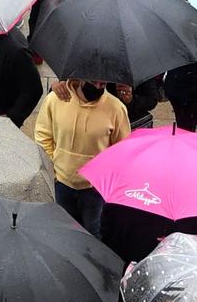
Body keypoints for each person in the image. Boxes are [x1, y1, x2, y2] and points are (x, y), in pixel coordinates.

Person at [34, 78, 131, 231]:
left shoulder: (116, 108)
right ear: (81, 78)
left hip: (95, 189)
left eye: (103, 84)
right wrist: (53, 166)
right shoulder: (55, 100)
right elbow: (43, 135)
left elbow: (122, 149)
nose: (97, 87)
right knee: (64, 229)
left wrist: (104, 180)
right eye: (93, 82)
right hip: (62, 182)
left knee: (92, 231)